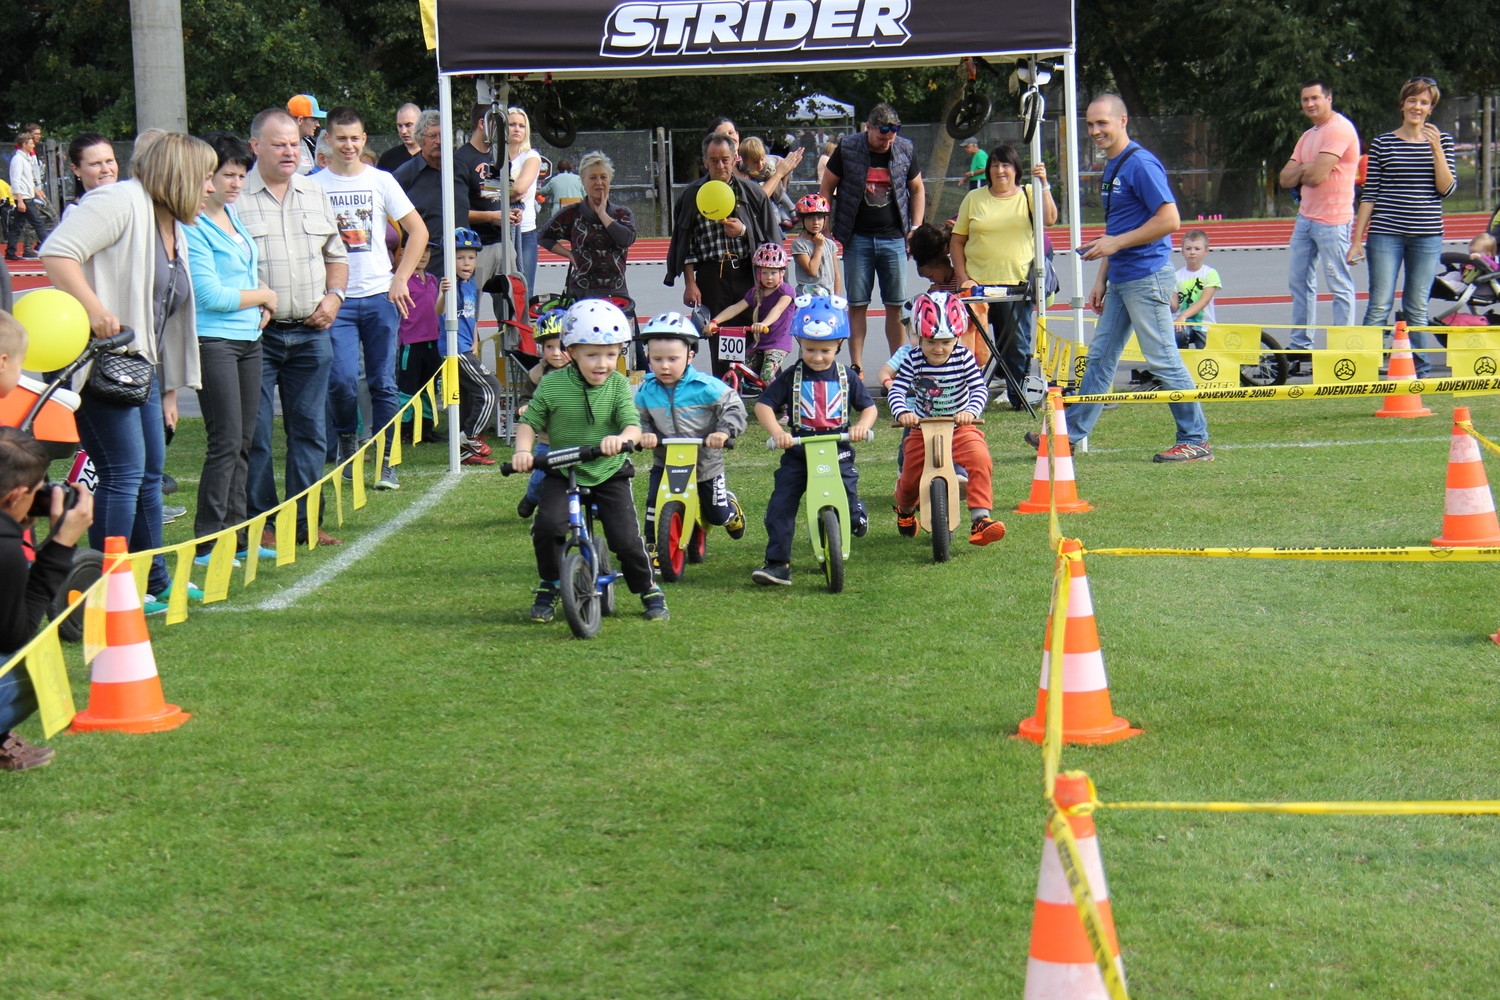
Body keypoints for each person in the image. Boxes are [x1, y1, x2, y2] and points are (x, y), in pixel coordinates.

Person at [42, 131, 214, 610]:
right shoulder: (118, 202)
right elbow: (56, 253)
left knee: (147, 475)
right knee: (123, 471)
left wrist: (166, 390)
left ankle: (153, 580)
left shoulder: (171, 223)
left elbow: (164, 314)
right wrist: (95, 310)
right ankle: (108, 586)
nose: (210, 188)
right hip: (100, 367)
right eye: (203, 178)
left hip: (140, 369)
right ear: (178, 178)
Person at [1047, 94, 1211, 463]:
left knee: (1163, 359)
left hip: (1146, 276)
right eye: (1089, 124)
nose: (1094, 131)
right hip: (1122, 278)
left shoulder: (1141, 164)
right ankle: (1069, 436)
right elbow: (1117, 229)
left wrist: (1115, 245)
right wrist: (1102, 278)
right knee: (1101, 357)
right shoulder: (1113, 165)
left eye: (1102, 123)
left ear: (1123, 122)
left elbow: (1171, 221)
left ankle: (1196, 438)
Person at [510, 299, 669, 623]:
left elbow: (632, 425)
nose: (603, 363)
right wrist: (523, 452)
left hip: (608, 470)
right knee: (547, 526)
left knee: (625, 538)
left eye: (611, 354)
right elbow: (529, 423)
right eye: (592, 354)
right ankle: (551, 583)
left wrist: (622, 439)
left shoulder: (618, 386)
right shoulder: (552, 385)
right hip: (563, 468)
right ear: (571, 352)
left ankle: (648, 589)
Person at [238, 108, 349, 547]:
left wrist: (334, 297)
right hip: (255, 337)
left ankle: (304, 525)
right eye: (278, 144)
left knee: (310, 433)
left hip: (311, 331)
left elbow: (336, 257)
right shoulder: (231, 196)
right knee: (258, 434)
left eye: (292, 143)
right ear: (255, 148)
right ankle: (264, 524)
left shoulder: (314, 191)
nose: (288, 151)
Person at [313, 106, 429, 491]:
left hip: (380, 297)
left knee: (383, 381)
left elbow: (419, 232)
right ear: (328, 140)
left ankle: (386, 462)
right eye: (341, 138)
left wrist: (401, 279)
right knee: (342, 381)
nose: (348, 145)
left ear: (365, 140)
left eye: (355, 138)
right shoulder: (314, 185)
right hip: (337, 301)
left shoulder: (381, 181)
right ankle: (347, 438)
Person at [184, 133, 278, 563]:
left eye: (242, 174)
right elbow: (211, 296)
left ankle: (238, 536)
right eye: (228, 174)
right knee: (224, 441)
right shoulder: (195, 225)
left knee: (245, 440)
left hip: (248, 339)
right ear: (207, 177)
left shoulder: (233, 217)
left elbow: (244, 276)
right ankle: (207, 540)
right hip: (214, 340)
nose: (237, 182)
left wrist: (261, 294)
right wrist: (263, 297)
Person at [751, 294, 876, 587]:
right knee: (781, 506)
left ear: (839, 345)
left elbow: (869, 407)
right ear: (799, 343)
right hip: (798, 451)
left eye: (825, 350)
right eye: (810, 349)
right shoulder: (792, 376)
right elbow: (763, 405)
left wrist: (861, 426)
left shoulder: (847, 377)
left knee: (847, 493)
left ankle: (856, 514)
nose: (817, 356)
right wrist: (778, 433)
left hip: (838, 448)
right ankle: (778, 564)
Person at [0, 423, 94, 771]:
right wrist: (60, 546)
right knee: (32, 671)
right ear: (14, 496)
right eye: (37, 492)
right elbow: (15, 636)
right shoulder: (4, 549)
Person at [1348, 77, 1456, 379]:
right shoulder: (1384, 142)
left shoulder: (1443, 141)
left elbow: (1446, 190)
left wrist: (1435, 150)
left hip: (1427, 234)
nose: (1417, 107)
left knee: (1416, 306)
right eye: (1412, 100)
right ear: (1403, 104)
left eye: (1424, 102)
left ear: (1431, 108)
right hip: (1386, 233)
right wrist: (1357, 240)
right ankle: (1364, 371)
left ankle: (1419, 371)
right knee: (1379, 303)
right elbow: (1370, 194)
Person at [888, 291, 1006, 547]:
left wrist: (970, 412)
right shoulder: (913, 359)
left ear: (957, 337)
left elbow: (978, 388)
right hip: (922, 427)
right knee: (909, 476)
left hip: (959, 426)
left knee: (980, 459)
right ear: (919, 336)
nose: (938, 348)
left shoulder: (963, 358)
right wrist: (903, 413)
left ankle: (980, 518)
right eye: (930, 342)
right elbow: (897, 389)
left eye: (945, 341)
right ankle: (906, 510)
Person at [819, 103, 927, 374]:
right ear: (868, 128)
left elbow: (917, 189)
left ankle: (898, 366)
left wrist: (916, 226)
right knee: (857, 305)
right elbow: (826, 187)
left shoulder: (905, 149)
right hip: (857, 238)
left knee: (896, 306)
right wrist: (826, 227)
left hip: (894, 238)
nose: (885, 143)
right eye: (881, 138)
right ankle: (857, 365)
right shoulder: (848, 148)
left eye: (890, 139)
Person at [634, 311, 748, 554]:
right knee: (654, 504)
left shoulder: (705, 387)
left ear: (690, 355)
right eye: (657, 359)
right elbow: (637, 417)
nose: (664, 366)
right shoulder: (646, 391)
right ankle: (654, 549)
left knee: (717, 514)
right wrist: (644, 433)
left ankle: (731, 510)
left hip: (705, 463)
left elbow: (734, 406)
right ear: (648, 358)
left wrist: (724, 432)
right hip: (665, 461)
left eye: (673, 359)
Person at [950, 144, 1057, 404]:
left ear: (1016, 169)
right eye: (995, 165)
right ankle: (967, 397)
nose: (1000, 170)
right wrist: (963, 276)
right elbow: (957, 240)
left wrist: (1043, 183)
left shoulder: (1029, 193)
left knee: (1016, 346)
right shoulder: (974, 198)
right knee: (973, 345)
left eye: (1006, 165)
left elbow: (1050, 219)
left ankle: (1019, 396)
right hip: (978, 286)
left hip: (1016, 284)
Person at [665, 132, 778, 375]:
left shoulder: (751, 192)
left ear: (735, 158)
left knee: (755, 330)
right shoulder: (691, 195)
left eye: (725, 159)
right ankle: (726, 384)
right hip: (711, 275)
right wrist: (690, 282)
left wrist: (744, 231)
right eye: (713, 160)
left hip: (748, 273)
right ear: (705, 161)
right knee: (719, 331)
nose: (720, 166)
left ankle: (757, 385)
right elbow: (686, 242)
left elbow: (771, 239)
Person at [1278, 80, 1360, 369]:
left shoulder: (1339, 129)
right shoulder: (1308, 135)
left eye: (1315, 98)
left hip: (1334, 221)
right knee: (1299, 282)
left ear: (1329, 98)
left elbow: (1314, 177)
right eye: (1304, 100)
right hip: (1306, 219)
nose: (1310, 104)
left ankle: (1342, 346)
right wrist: (1304, 168)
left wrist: (1303, 170)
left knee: (1338, 283)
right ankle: (1301, 345)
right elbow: (1284, 179)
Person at [437, 228, 501, 466]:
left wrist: (475, 339)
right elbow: (439, 311)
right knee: (491, 388)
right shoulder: (448, 283)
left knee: (469, 396)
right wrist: (444, 294)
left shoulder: (472, 285)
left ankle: (466, 453)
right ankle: (470, 437)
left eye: (471, 257)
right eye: (460, 257)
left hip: (466, 346)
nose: (466, 263)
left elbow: (471, 316)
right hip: (454, 349)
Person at [539, 151, 635, 299]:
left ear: (610, 180)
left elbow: (626, 240)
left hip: (616, 292)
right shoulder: (572, 213)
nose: (598, 182)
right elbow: (543, 236)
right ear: (583, 181)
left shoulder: (622, 213)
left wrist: (603, 214)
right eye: (592, 178)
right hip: (581, 292)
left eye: (603, 177)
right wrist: (569, 254)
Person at [703, 242, 796, 383]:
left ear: (782, 273)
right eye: (764, 272)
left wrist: (763, 323)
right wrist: (714, 322)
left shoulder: (786, 291)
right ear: (759, 274)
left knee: (767, 376)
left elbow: (777, 309)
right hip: (759, 343)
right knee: (736, 370)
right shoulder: (755, 292)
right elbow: (735, 308)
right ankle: (735, 400)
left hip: (778, 343)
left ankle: (781, 402)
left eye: (773, 272)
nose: (769, 277)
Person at [392, 110, 469, 278]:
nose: (439, 141)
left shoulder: (461, 169)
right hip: (424, 268)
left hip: (462, 267)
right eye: (432, 136)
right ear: (420, 139)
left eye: (443, 135)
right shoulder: (404, 176)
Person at [513, 308, 571, 518]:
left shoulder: (583, 370)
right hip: (548, 439)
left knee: (589, 473)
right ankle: (531, 497)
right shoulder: (539, 373)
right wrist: (524, 406)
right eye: (549, 347)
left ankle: (594, 506)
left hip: (580, 436)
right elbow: (526, 396)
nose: (556, 353)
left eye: (562, 347)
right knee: (540, 477)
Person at [451, 104, 509, 297]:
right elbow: (457, 211)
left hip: (503, 242)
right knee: (469, 305)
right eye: (499, 124)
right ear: (483, 124)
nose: (503, 130)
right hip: (475, 247)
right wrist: (491, 217)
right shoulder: (461, 159)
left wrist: (511, 212)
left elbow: (495, 196)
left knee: (512, 304)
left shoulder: (498, 155)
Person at [394, 239, 445, 440]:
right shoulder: (401, 281)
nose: (423, 255)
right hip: (410, 343)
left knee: (429, 388)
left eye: (428, 251)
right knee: (408, 388)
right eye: (419, 250)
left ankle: (425, 428)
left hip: (432, 342)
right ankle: (405, 429)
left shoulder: (433, 280)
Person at [505, 107, 542, 297]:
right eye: (512, 124)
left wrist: (496, 193)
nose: (516, 129)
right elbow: (481, 192)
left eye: (521, 125)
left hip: (525, 231)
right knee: (502, 291)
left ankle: (523, 328)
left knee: (525, 291)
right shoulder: (494, 156)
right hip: (499, 230)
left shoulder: (531, 157)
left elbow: (520, 189)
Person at [738, 136, 801, 229]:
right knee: (768, 197)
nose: (760, 164)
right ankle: (784, 219)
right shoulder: (743, 166)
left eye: (762, 159)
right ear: (746, 161)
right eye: (755, 162)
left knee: (775, 192)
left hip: (777, 174)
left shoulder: (768, 165)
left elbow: (776, 181)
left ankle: (792, 209)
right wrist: (743, 175)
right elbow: (741, 171)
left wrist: (769, 183)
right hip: (761, 179)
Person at [7, 128, 51, 260]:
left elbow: (27, 180)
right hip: (24, 198)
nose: (33, 145)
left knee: (18, 225)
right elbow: (15, 180)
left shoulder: (25, 159)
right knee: (38, 223)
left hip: (28, 196)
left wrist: (36, 192)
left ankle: (10, 251)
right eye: (31, 143)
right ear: (24, 144)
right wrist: (19, 200)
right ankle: (49, 247)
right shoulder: (18, 160)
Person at [1172, 230, 1221, 348]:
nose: (1192, 252)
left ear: (1206, 251)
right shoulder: (1176, 276)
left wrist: (1183, 316)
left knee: (1206, 359)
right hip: (1182, 325)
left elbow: (1204, 300)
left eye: (1197, 249)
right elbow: (1174, 307)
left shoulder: (1210, 273)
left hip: (1204, 324)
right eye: (1188, 249)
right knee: (1179, 334)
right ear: (1182, 251)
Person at [790, 193, 842, 295]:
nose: (816, 222)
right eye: (810, 218)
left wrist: (837, 298)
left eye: (819, 218)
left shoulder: (830, 244)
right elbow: (812, 271)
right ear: (802, 220)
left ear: (825, 219)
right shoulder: (799, 244)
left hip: (828, 296)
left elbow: (836, 275)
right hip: (807, 297)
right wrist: (819, 247)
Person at [65, 134, 118, 212]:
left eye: (109, 161)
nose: (106, 169)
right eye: (95, 164)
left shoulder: (132, 202)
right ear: (76, 169)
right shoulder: (76, 212)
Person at [287, 94, 327, 175]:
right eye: (314, 119)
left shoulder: (310, 144)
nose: (317, 124)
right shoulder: (278, 147)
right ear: (300, 120)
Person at [376, 103, 422, 173]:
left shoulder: (433, 156)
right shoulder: (388, 158)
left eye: (408, 125)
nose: (403, 131)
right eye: (400, 126)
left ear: (421, 123)